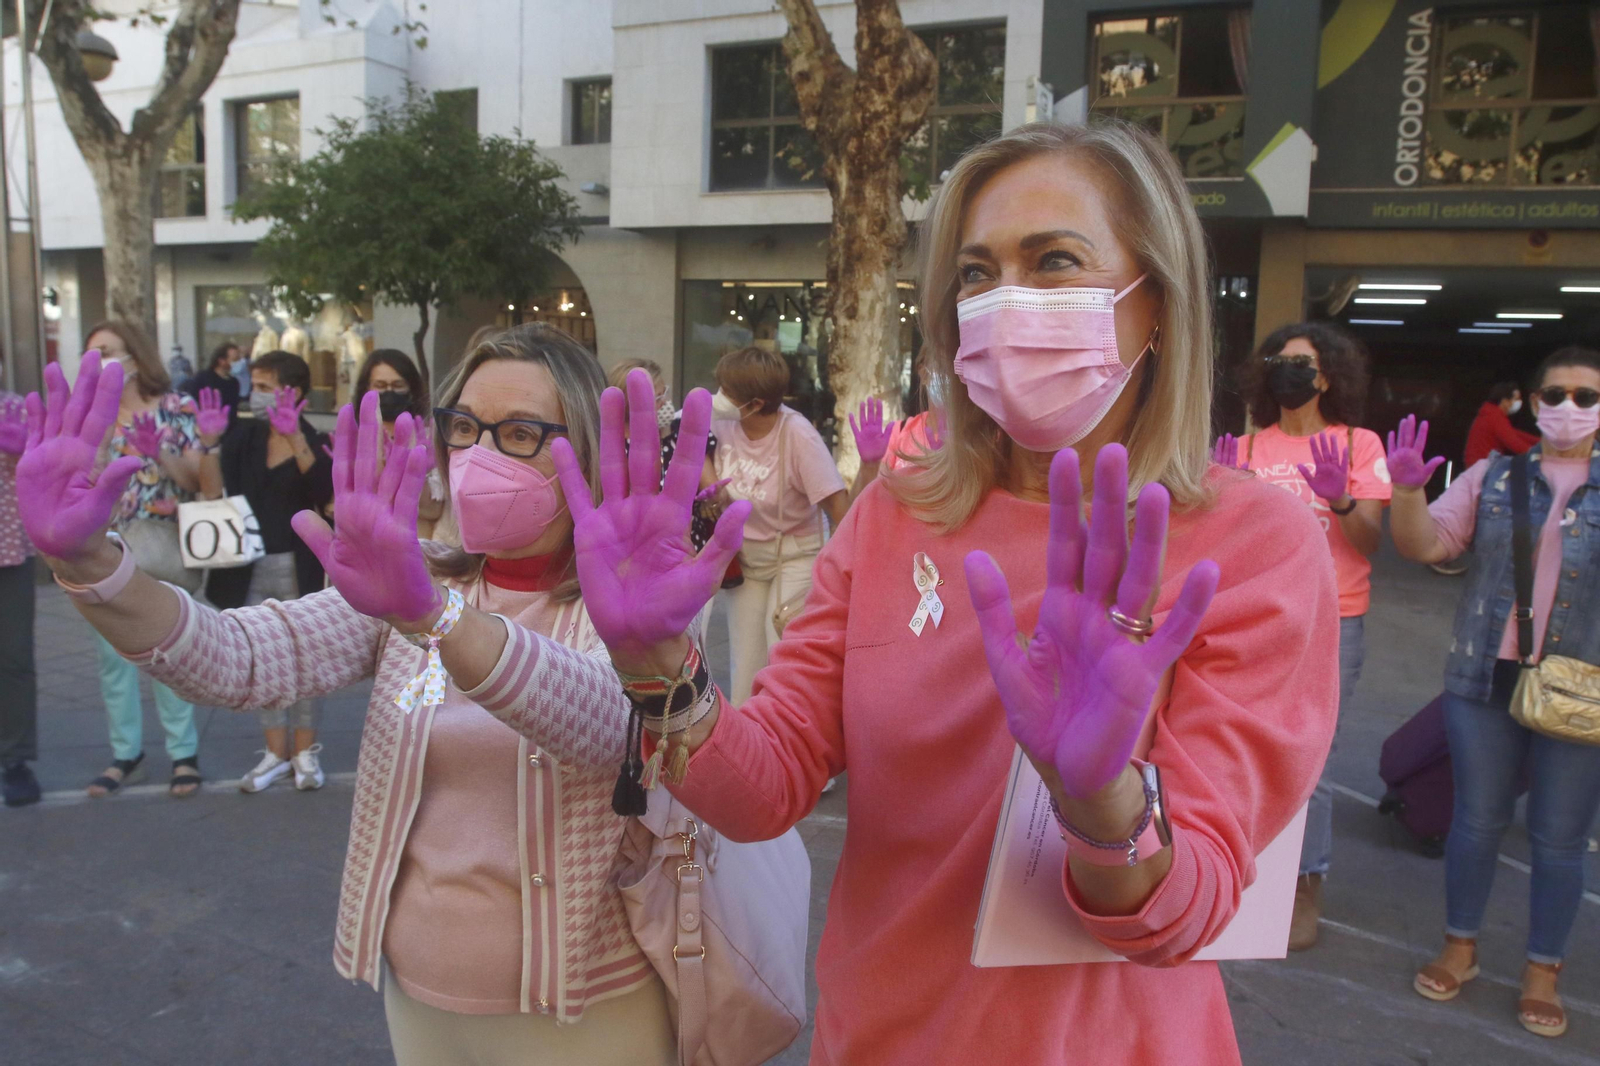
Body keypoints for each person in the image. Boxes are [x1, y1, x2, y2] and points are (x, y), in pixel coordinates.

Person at [550, 121, 1339, 1065]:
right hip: (875, 1034)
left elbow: (1189, 911)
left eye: (1053, 260)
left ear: (1157, 300)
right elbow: (765, 788)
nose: (1006, 297)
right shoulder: (895, 515)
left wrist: (1102, 802)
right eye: (975, 272)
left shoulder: (1254, 544)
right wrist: (658, 669)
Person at [14, 325, 677, 1065]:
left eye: (520, 433)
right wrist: (92, 565)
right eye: (463, 427)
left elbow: (609, 724)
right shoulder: (420, 579)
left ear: (586, 448)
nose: (480, 453)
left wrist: (437, 619)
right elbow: (239, 658)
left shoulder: (637, 600)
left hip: (586, 1006)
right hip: (418, 994)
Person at [1389, 345, 1600, 1041]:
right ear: (1534, 404)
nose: (1568, 407)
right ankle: (1461, 946)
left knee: (1560, 838)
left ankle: (1543, 970)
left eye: (1586, 396)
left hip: (1581, 689)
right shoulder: (1494, 475)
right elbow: (1426, 546)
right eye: (1555, 394)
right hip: (1484, 677)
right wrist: (1407, 492)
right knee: (1476, 821)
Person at [1215, 321, 1390, 950]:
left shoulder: (1358, 445)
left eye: (1303, 363)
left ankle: (1305, 885)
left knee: (1314, 758)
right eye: (1278, 362)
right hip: (1256, 618)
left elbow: (1370, 541)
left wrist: (1341, 501)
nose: (1289, 373)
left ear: (1328, 377)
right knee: (1240, 747)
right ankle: (1237, 869)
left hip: (1333, 617)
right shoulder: (1243, 449)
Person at [83, 321, 221, 798]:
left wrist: (158, 452)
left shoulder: (176, 408)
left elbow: (197, 480)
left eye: (107, 351)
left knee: (170, 650)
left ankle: (183, 753)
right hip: (105, 551)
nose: (99, 361)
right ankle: (126, 753)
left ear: (135, 356)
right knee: (112, 660)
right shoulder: (91, 416)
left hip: (163, 547)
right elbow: (80, 480)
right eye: (92, 353)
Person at [202, 350, 335, 793]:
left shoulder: (315, 439)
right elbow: (213, 492)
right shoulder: (244, 437)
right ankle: (275, 754)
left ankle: (305, 753)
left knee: (307, 661)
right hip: (249, 564)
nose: (254, 394)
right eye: (253, 385)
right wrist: (210, 443)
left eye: (264, 386)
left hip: (300, 566)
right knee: (265, 659)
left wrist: (295, 437)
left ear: (291, 392)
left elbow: (327, 496)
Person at [710, 346, 848, 703]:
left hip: (795, 553)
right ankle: (746, 731)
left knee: (781, 647)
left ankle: (785, 724)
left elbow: (837, 503)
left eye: (727, 391)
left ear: (755, 403)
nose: (718, 396)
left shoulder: (798, 435)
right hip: (747, 557)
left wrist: (848, 570)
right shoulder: (720, 420)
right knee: (746, 658)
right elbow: (680, 432)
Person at [606, 358, 723, 553]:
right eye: (657, 398)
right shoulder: (611, 448)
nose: (665, 404)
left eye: (664, 394)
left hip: (686, 545)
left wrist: (714, 498)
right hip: (632, 549)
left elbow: (713, 488)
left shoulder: (682, 435)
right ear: (629, 404)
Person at [353, 349, 444, 537]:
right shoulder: (354, 437)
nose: (389, 392)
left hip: (412, 543)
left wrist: (418, 471)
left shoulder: (426, 438)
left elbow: (433, 510)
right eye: (380, 385)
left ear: (411, 389)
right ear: (366, 389)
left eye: (397, 385)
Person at [0, 381, 39, 807]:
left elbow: (44, 474)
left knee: (13, 659)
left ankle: (15, 760)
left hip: (8, 552)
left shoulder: (16, 409)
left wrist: (22, 453)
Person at [1465, 381, 1537, 468]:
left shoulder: (1491, 414)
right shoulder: (1495, 417)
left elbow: (1514, 433)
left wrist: (1541, 442)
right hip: (1483, 469)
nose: (1520, 402)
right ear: (1505, 401)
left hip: (1479, 467)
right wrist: (1540, 455)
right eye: (1516, 399)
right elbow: (1515, 444)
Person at [185, 343, 242, 430]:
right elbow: (191, 402)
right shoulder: (203, 378)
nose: (239, 362)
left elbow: (234, 407)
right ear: (221, 360)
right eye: (235, 359)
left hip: (229, 428)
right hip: (206, 427)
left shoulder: (234, 382)